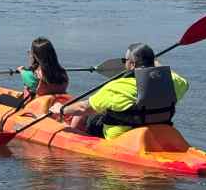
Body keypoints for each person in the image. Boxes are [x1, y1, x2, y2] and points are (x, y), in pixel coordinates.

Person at [48, 43, 188, 140]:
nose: (123, 63)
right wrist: (153, 63)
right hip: (158, 132)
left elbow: (82, 107)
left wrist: (62, 109)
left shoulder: (117, 87)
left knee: (86, 113)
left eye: (124, 61)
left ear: (131, 64)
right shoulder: (171, 83)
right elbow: (182, 81)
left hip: (120, 139)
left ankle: (74, 139)